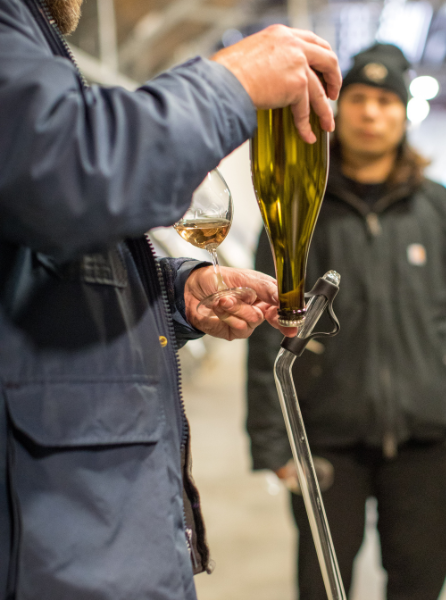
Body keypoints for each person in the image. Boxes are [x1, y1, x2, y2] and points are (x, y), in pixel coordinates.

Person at [0, 0, 342, 597]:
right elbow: (65, 172)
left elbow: (37, 255)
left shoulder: (34, 37)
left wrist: (170, 291)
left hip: (95, 542)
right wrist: (229, 84)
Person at [247, 43, 446, 600]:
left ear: (403, 114)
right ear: (338, 108)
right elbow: (266, 331)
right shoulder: (298, 207)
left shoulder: (439, 207)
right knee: (322, 589)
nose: (371, 112)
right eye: (358, 98)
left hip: (430, 441)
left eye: (386, 101)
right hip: (326, 443)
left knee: (420, 586)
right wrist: (273, 445)